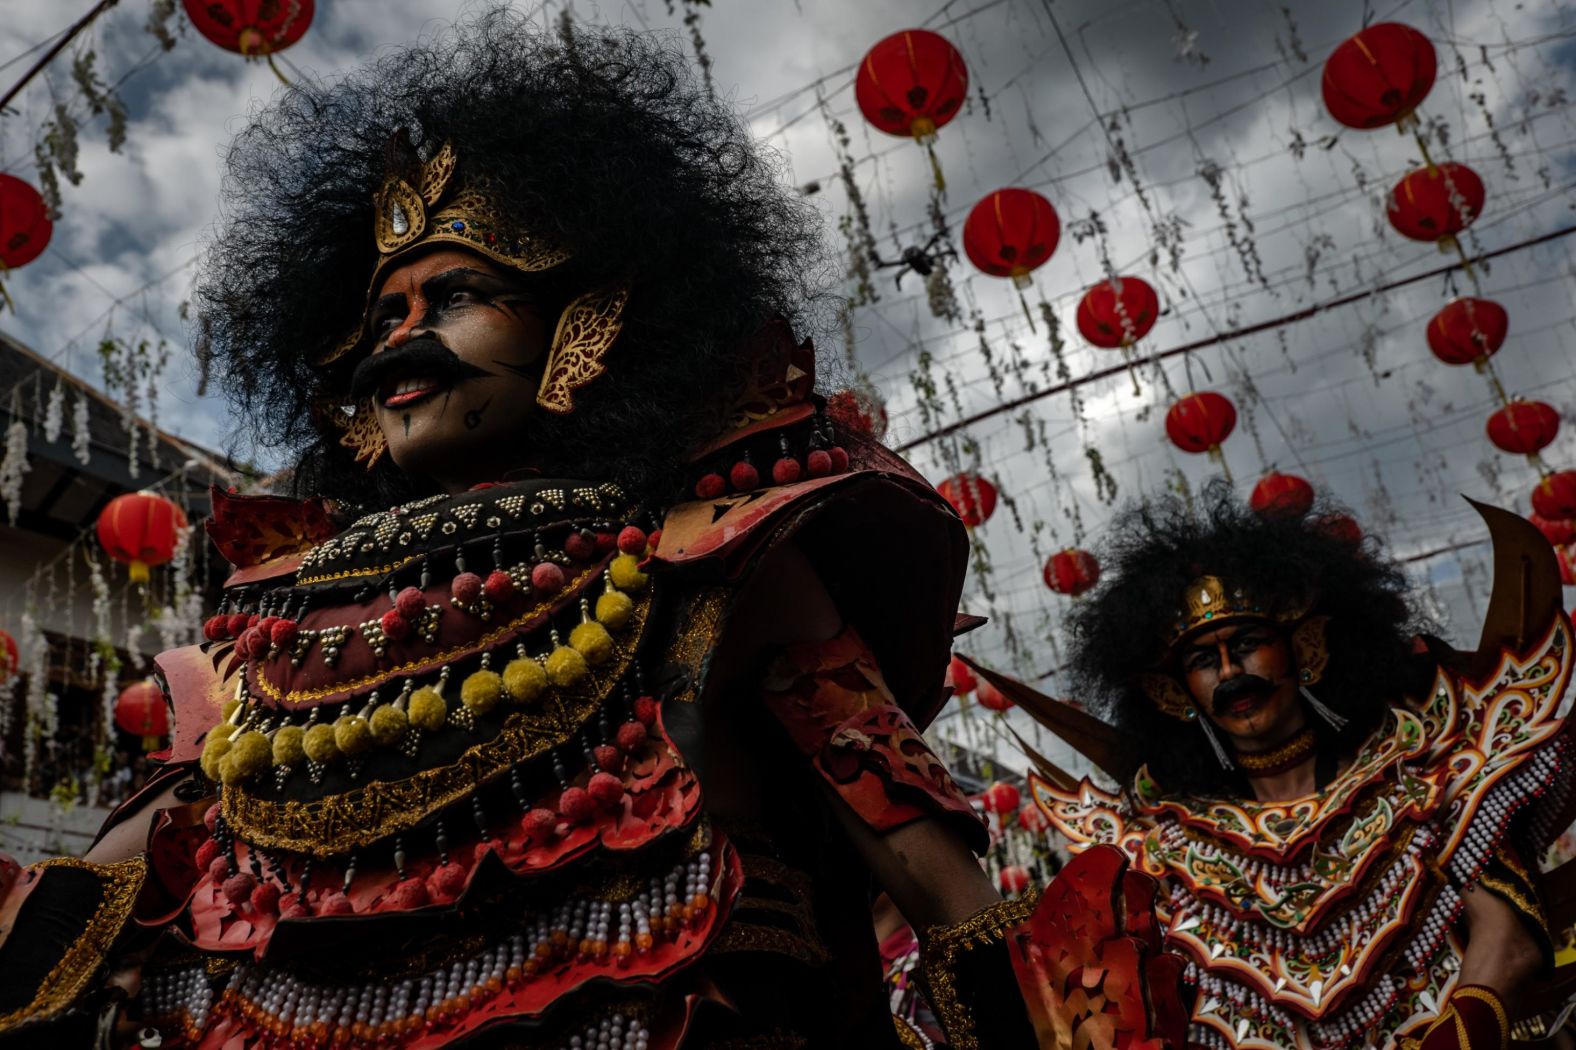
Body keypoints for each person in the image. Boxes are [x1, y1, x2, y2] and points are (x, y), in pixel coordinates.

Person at [0, 13, 1183, 1049]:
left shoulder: (720, 551)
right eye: (383, 314)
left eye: (452, 296)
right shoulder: (267, 619)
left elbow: (927, 870)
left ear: (584, 332)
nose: (398, 341)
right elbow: (107, 884)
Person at [1027, 484, 1573, 1049]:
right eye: (1201, 659)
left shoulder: (1421, 770)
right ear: (1174, 695)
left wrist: (1458, 1036)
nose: (1229, 671)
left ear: (1306, 649)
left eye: (1247, 643)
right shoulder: (1157, 849)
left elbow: (1508, 936)